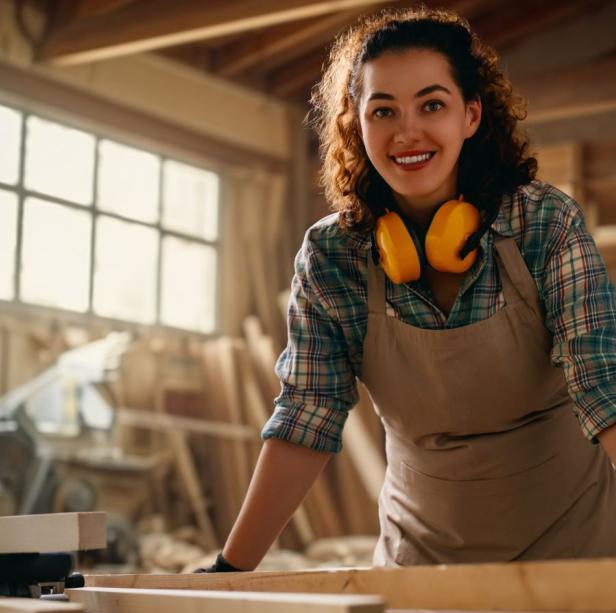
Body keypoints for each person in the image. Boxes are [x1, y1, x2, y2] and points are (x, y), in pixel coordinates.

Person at [199, 6, 616, 572]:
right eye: (383, 110)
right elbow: (307, 415)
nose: (407, 131)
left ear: (471, 115)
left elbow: (604, 387)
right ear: (357, 123)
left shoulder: (544, 224)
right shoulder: (333, 257)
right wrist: (230, 570)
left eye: (432, 105)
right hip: (419, 565)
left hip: (574, 553)